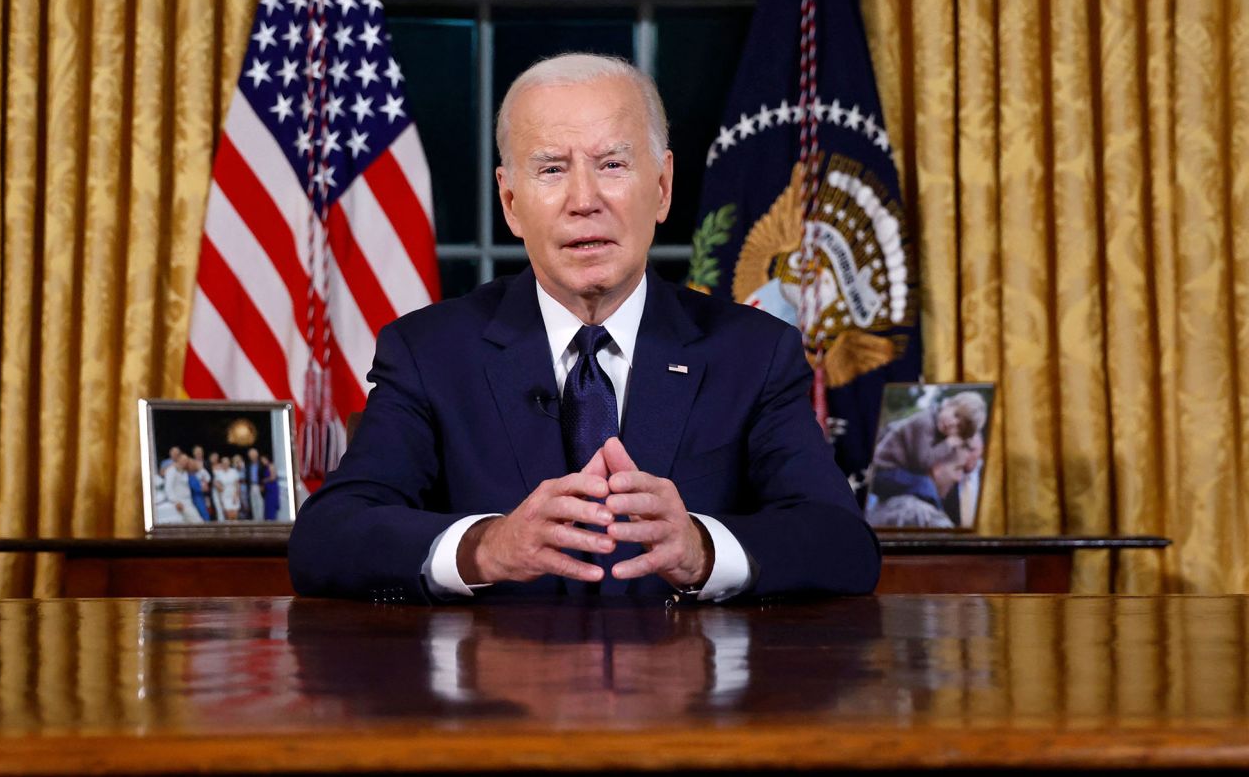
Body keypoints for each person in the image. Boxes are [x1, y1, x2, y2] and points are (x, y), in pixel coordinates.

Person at [288, 53, 880, 604]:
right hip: (497, 702)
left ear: (663, 187)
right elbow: (329, 537)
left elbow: (841, 544)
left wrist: (700, 548)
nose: (583, 200)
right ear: (511, 201)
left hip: (688, 701)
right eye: (551, 169)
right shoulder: (429, 353)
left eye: (613, 164)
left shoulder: (753, 353)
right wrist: (487, 547)